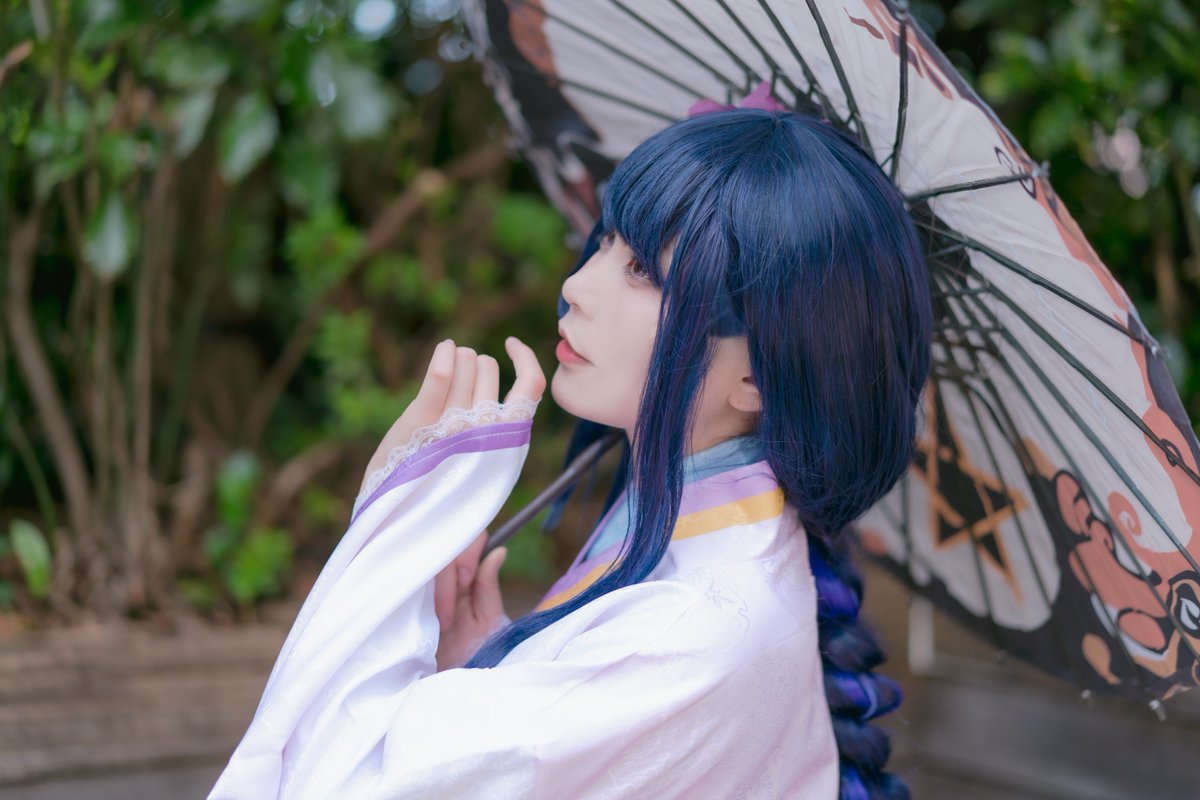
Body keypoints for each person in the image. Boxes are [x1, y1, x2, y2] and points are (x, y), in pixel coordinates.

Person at [209, 107, 932, 799]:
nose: (575, 286)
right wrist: (499, 663)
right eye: (607, 241)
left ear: (758, 374)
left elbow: (342, 786)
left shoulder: (689, 637)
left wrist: (396, 521)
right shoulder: (698, 536)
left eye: (643, 271)